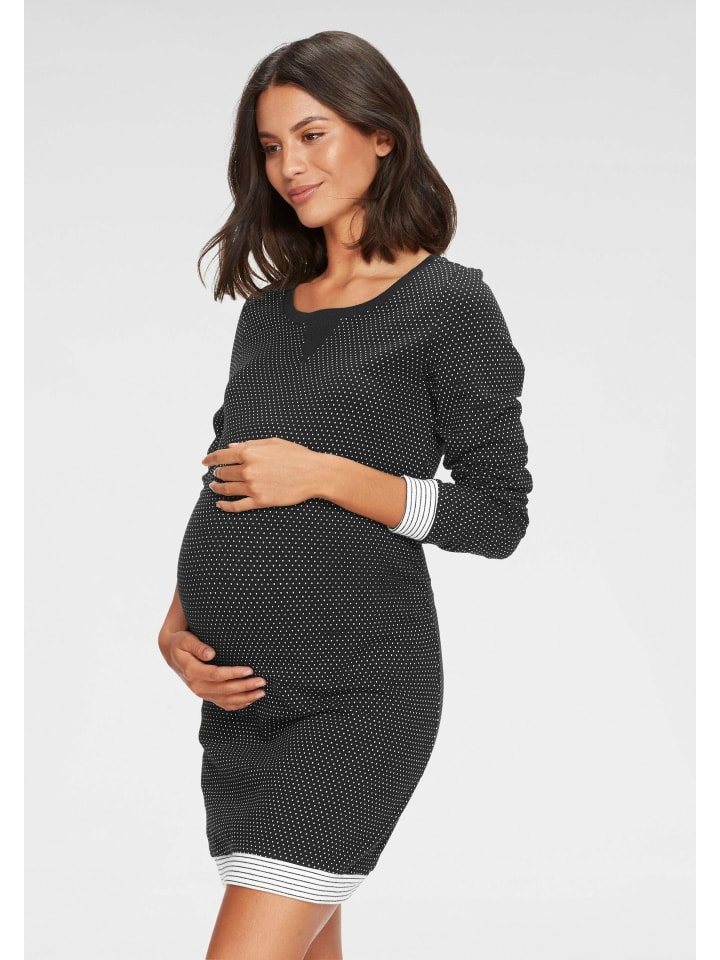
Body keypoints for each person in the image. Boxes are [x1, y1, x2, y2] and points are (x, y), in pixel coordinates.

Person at [158, 29, 532, 960]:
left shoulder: (450, 305)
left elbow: (498, 516)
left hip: (358, 696)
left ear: (381, 135)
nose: (289, 166)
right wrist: (177, 623)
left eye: (312, 135)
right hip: (242, 707)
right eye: (271, 146)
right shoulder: (268, 314)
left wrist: (324, 473)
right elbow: (228, 473)